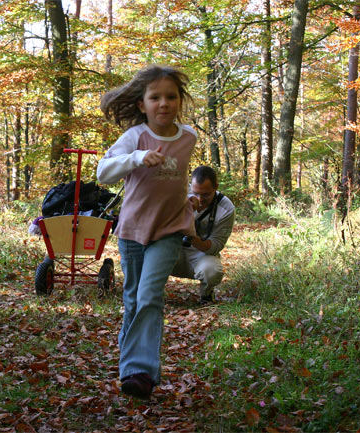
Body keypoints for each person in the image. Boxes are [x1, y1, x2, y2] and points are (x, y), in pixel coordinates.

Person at [97, 65, 196, 400]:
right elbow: (103, 172)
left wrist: (190, 198)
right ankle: (130, 368)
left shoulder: (188, 137)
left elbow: (178, 179)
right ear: (142, 104)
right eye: (155, 98)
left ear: (179, 101)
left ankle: (140, 372)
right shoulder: (135, 137)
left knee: (149, 296)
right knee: (133, 299)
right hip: (133, 230)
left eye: (170, 97)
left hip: (170, 229)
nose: (163, 104)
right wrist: (136, 158)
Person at [171, 166, 235, 303]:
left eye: (205, 195)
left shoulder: (226, 209)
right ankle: (154, 294)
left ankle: (206, 295)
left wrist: (190, 234)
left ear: (216, 187)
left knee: (212, 270)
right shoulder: (178, 195)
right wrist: (184, 212)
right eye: (196, 193)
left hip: (200, 255)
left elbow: (215, 246)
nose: (200, 199)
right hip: (173, 249)